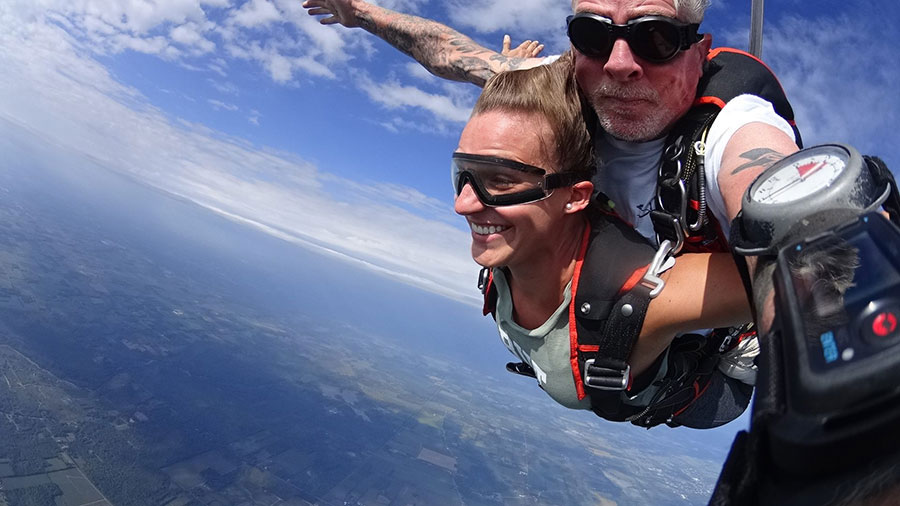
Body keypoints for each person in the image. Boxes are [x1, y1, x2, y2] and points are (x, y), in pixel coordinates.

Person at [301, 0, 801, 331]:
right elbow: (451, 56)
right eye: (593, 35)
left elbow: (778, 207)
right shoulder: (566, 89)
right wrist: (361, 12)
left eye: (656, 39)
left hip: (681, 349)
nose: (619, 63)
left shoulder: (736, 127)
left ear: (700, 50)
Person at [453, 53, 753, 428]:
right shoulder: (510, 240)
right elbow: (446, 54)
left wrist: (745, 119)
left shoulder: (643, 296)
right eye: (463, 174)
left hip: (705, 397)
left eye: (501, 180)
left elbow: (805, 275)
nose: (462, 204)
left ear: (576, 197)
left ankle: (743, 339)